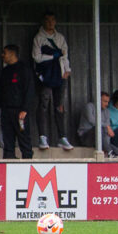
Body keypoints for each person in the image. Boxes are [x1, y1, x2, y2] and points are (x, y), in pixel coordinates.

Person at [31, 13, 71, 149]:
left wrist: (67, 69)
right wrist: (52, 56)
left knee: (59, 106)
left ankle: (62, 137)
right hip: (46, 75)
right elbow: (36, 57)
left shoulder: (60, 38)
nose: (50, 22)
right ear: (43, 21)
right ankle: (42, 137)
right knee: (43, 104)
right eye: (47, 20)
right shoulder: (39, 38)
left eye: (53, 20)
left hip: (60, 75)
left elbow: (65, 56)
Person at [0, 44, 34, 159]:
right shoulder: (4, 71)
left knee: (24, 139)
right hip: (6, 111)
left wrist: (25, 109)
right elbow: (0, 91)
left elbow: (29, 91)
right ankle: (8, 161)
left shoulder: (24, 70)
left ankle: (27, 163)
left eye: (4, 53)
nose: (2, 55)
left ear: (12, 54)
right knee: (7, 140)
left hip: (20, 112)